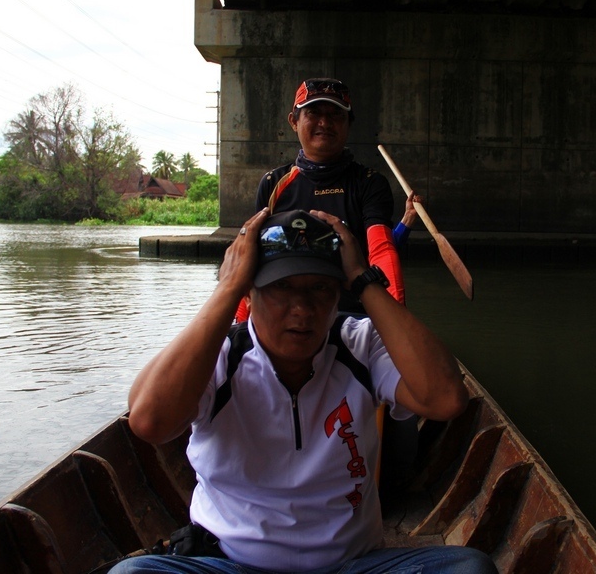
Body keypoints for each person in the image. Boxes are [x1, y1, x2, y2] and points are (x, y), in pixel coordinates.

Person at [115, 208, 497, 574]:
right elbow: (149, 422)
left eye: (319, 288)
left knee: (469, 567)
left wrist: (363, 277)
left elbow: (446, 399)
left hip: (350, 566)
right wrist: (228, 285)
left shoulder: (359, 343)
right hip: (229, 564)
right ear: (250, 293)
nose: (302, 308)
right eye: (281, 287)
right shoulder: (218, 356)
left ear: (338, 291)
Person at [254, 78, 406, 311]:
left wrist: (395, 318)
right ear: (294, 121)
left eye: (336, 115)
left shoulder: (370, 183)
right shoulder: (272, 183)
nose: (325, 122)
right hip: (286, 315)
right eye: (313, 112)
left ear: (348, 124)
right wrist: (242, 324)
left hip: (353, 317)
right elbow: (255, 258)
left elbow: (381, 250)